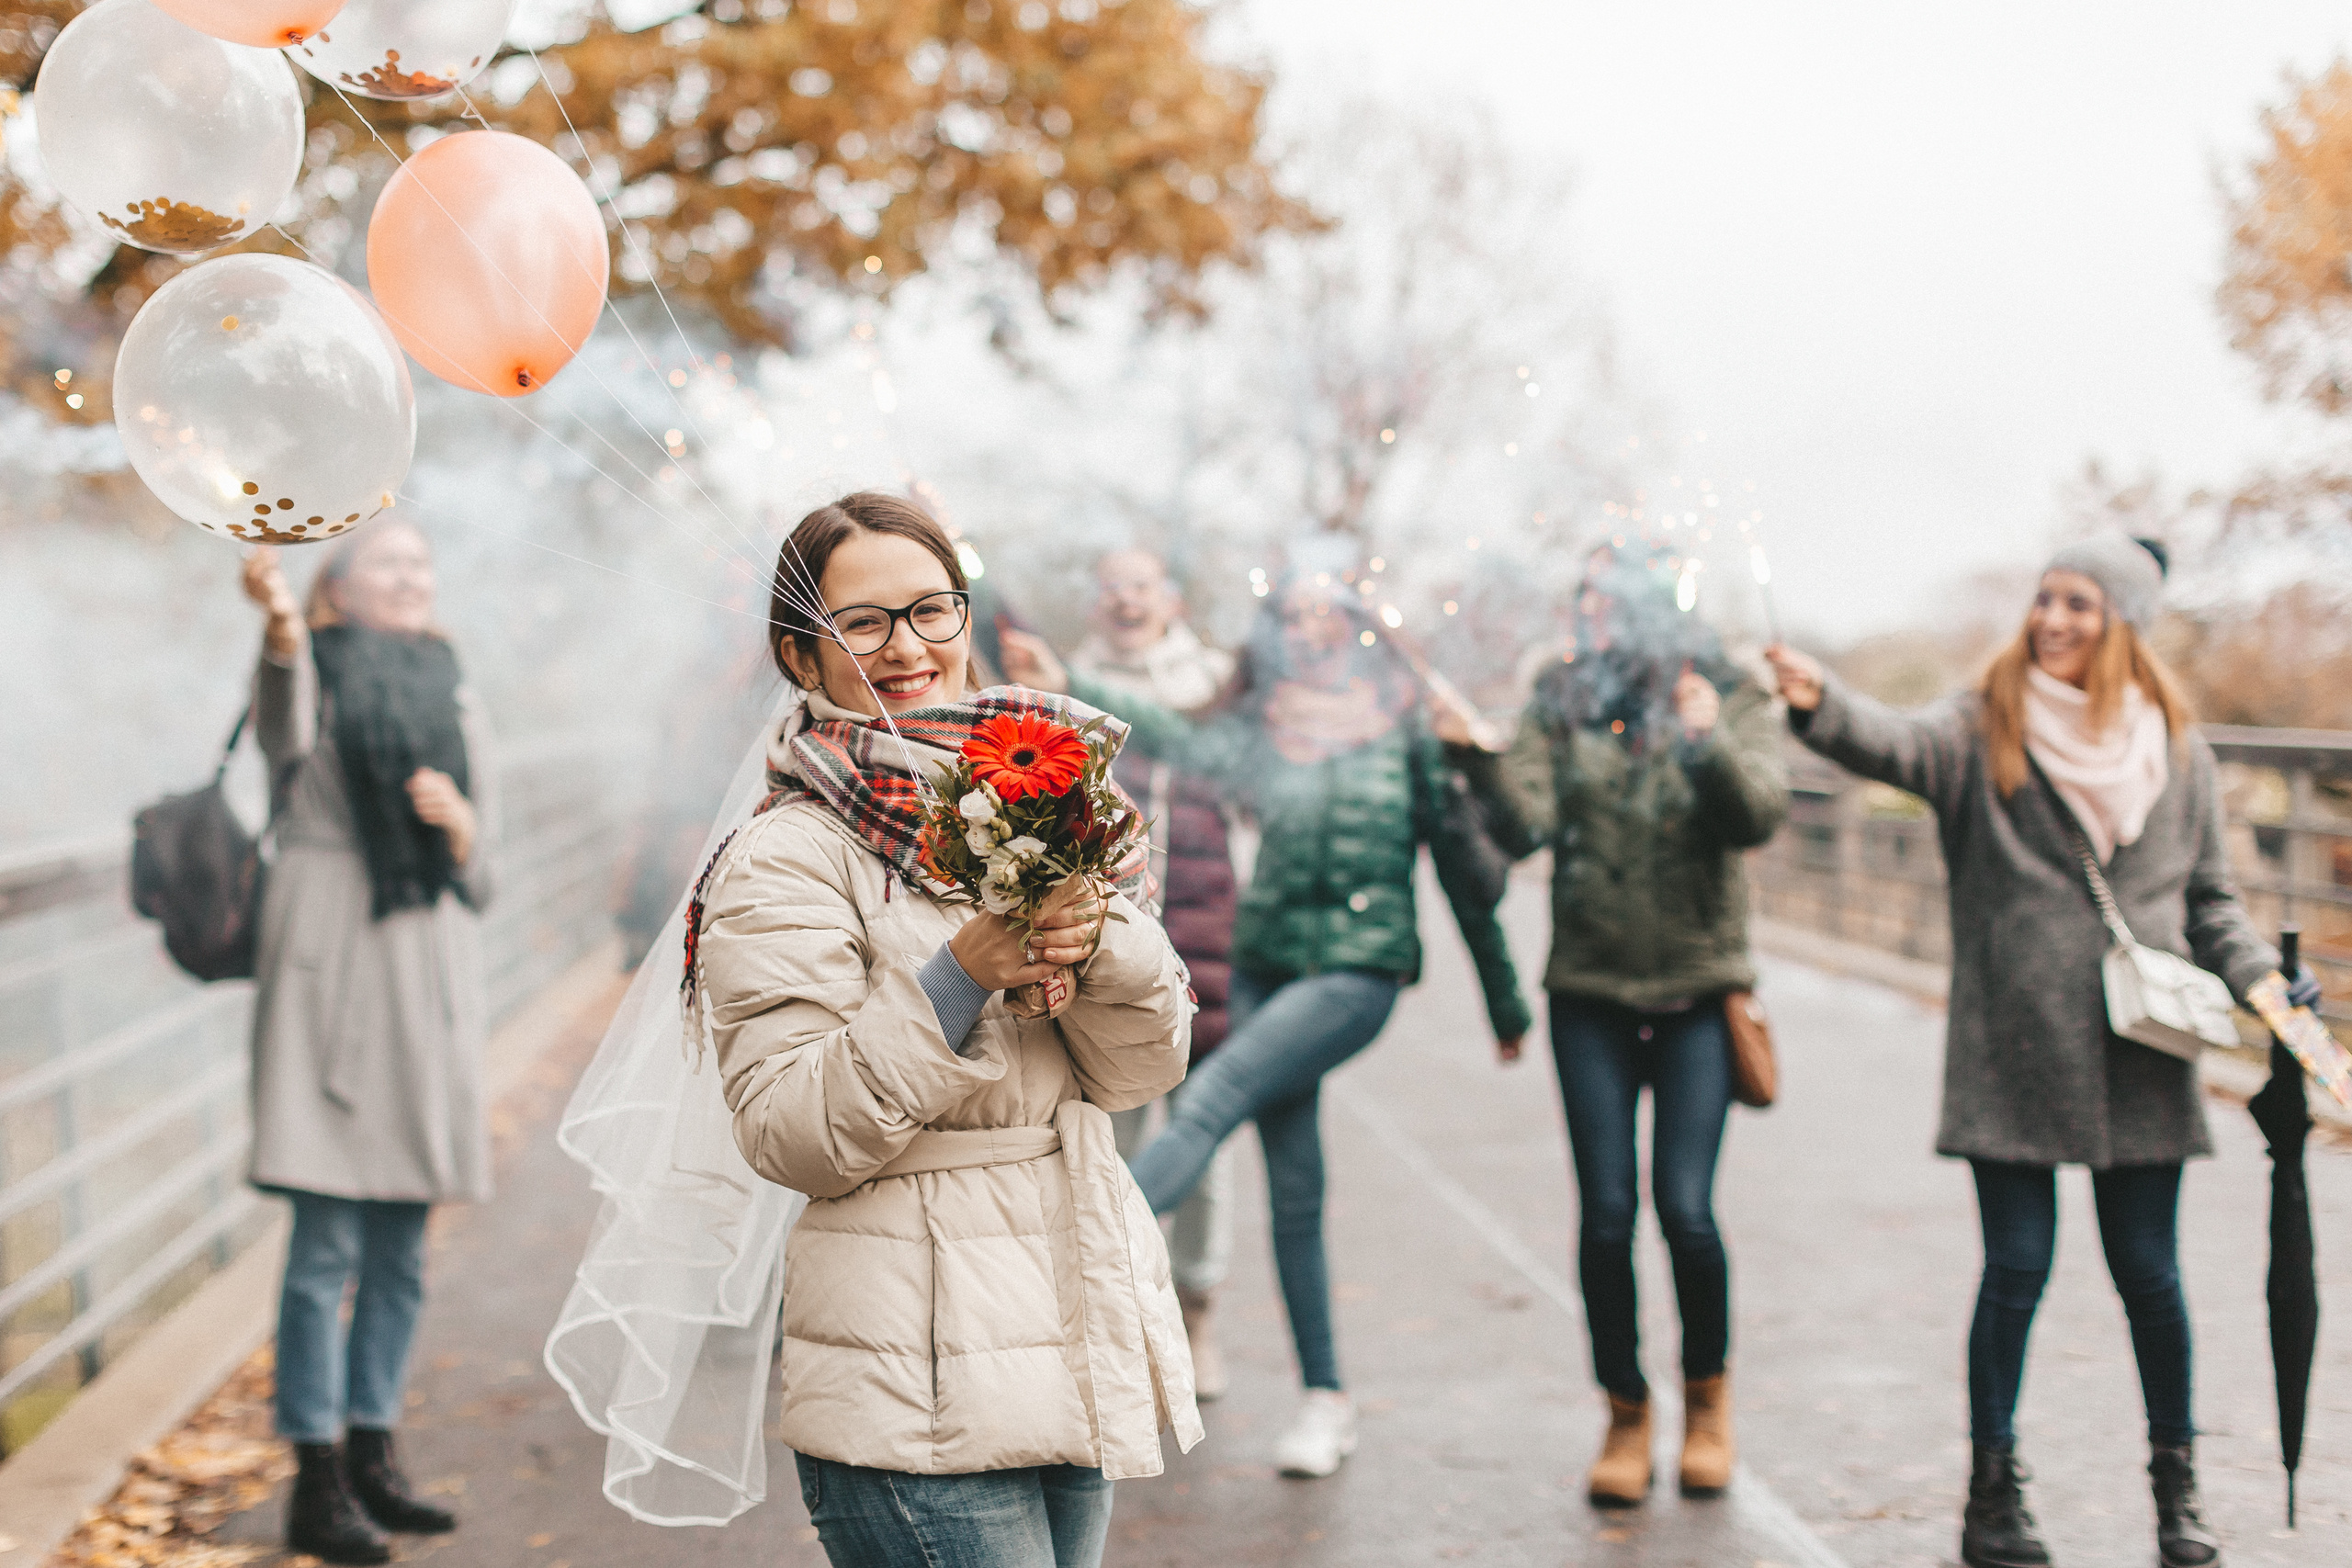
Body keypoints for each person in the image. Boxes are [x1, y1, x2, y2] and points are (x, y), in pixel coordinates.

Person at [1765, 535, 2320, 1568]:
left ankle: (2175, 1495)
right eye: (2044, 599)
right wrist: (1815, 698)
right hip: (2010, 1047)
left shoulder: (2178, 751)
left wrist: (2262, 985)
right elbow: (1886, 742)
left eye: (2079, 603)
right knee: (2015, 1269)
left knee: (2150, 1275)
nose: (2053, 619)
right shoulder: (1983, 727)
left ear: (2121, 625)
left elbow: (2209, 904)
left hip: (2140, 1050)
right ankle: (1992, 1501)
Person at [690, 492, 1201, 1568]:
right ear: (802, 654)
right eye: (862, 623)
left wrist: (1095, 939)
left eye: (931, 609)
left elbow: (1141, 1068)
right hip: (909, 1372)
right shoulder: (786, 855)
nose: (908, 645)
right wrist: (956, 977)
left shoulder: (1053, 793)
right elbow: (791, 1131)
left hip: (1071, 1321)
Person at [1001, 558, 1530, 1481]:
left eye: (1328, 612)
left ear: (1359, 624)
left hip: (1358, 971)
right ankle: (1327, 1401)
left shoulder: (1405, 724)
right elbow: (1175, 734)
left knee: (1209, 1104)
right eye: (1294, 613)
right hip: (1264, 962)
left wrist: (1505, 999)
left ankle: (1062, 1281)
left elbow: (1461, 870)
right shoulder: (1267, 723)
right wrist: (1071, 683)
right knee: (1296, 1193)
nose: (1310, 627)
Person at [1476, 559, 1788, 1508]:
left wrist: (1704, 740)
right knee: (1606, 1216)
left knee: (1685, 1211)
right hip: (1591, 993)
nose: (1587, 618)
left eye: (1605, 604)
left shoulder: (1726, 693)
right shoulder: (1560, 697)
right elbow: (1525, 826)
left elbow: (1757, 816)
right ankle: (1623, 1410)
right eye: (1580, 603)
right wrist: (1479, 755)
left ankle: (1706, 1405)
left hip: (1699, 991)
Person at [239, 524, 493, 1566]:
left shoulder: (456, 687)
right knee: (325, 1244)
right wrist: (283, 631)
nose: (413, 578)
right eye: (390, 563)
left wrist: (462, 825)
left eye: (424, 565)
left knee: (399, 1242)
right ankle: (315, 1473)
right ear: (337, 588)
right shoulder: (316, 666)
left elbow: (487, 869)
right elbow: (280, 734)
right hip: (332, 968)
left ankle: (374, 1448)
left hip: (424, 972)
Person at [1067, 548, 1241, 1399]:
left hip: (1209, 938)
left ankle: (1199, 1313)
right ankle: (1124, 1317)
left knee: (1202, 1143)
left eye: (1141, 585)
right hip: (1112, 946)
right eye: (1113, 587)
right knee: (1115, 1141)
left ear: (1170, 598)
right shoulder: (1068, 684)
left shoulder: (1211, 680)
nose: (1126, 600)